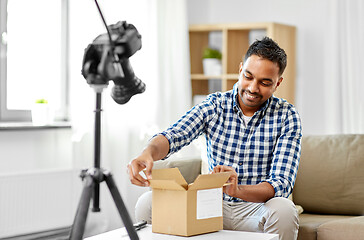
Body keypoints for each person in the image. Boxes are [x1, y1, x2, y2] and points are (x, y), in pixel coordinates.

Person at [128, 36, 302, 240]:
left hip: (256, 210)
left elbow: (281, 183)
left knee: (284, 210)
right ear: (240, 70)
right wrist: (147, 153)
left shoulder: (287, 116)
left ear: (278, 83)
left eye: (265, 82)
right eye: (248, 76)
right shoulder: (215, 105)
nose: (253, 88)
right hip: (210, 205)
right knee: (147, 202)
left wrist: (238, 190)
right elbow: (174, 136)